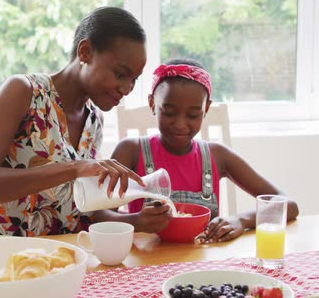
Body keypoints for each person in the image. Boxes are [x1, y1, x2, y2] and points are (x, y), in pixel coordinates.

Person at [0, 6, 162, 236]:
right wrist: (74, 168)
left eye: (134, 80)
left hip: (64, 260)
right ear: (85, 52)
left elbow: (82, 211)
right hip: (4, 259)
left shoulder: (94, 120)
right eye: (120, 74)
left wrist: (136, 220)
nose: (127, 89)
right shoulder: (25, 92)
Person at [101, 58, 299, 242]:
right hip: (146, 266)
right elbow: (98, 215)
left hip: (204, 264)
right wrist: (136, 221)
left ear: (206, 109)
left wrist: (241, 220)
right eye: (169, 112)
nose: (180, 124)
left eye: (193, 115)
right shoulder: (131, 151)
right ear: (152, 104)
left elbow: (288, 205)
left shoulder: (219, 156)